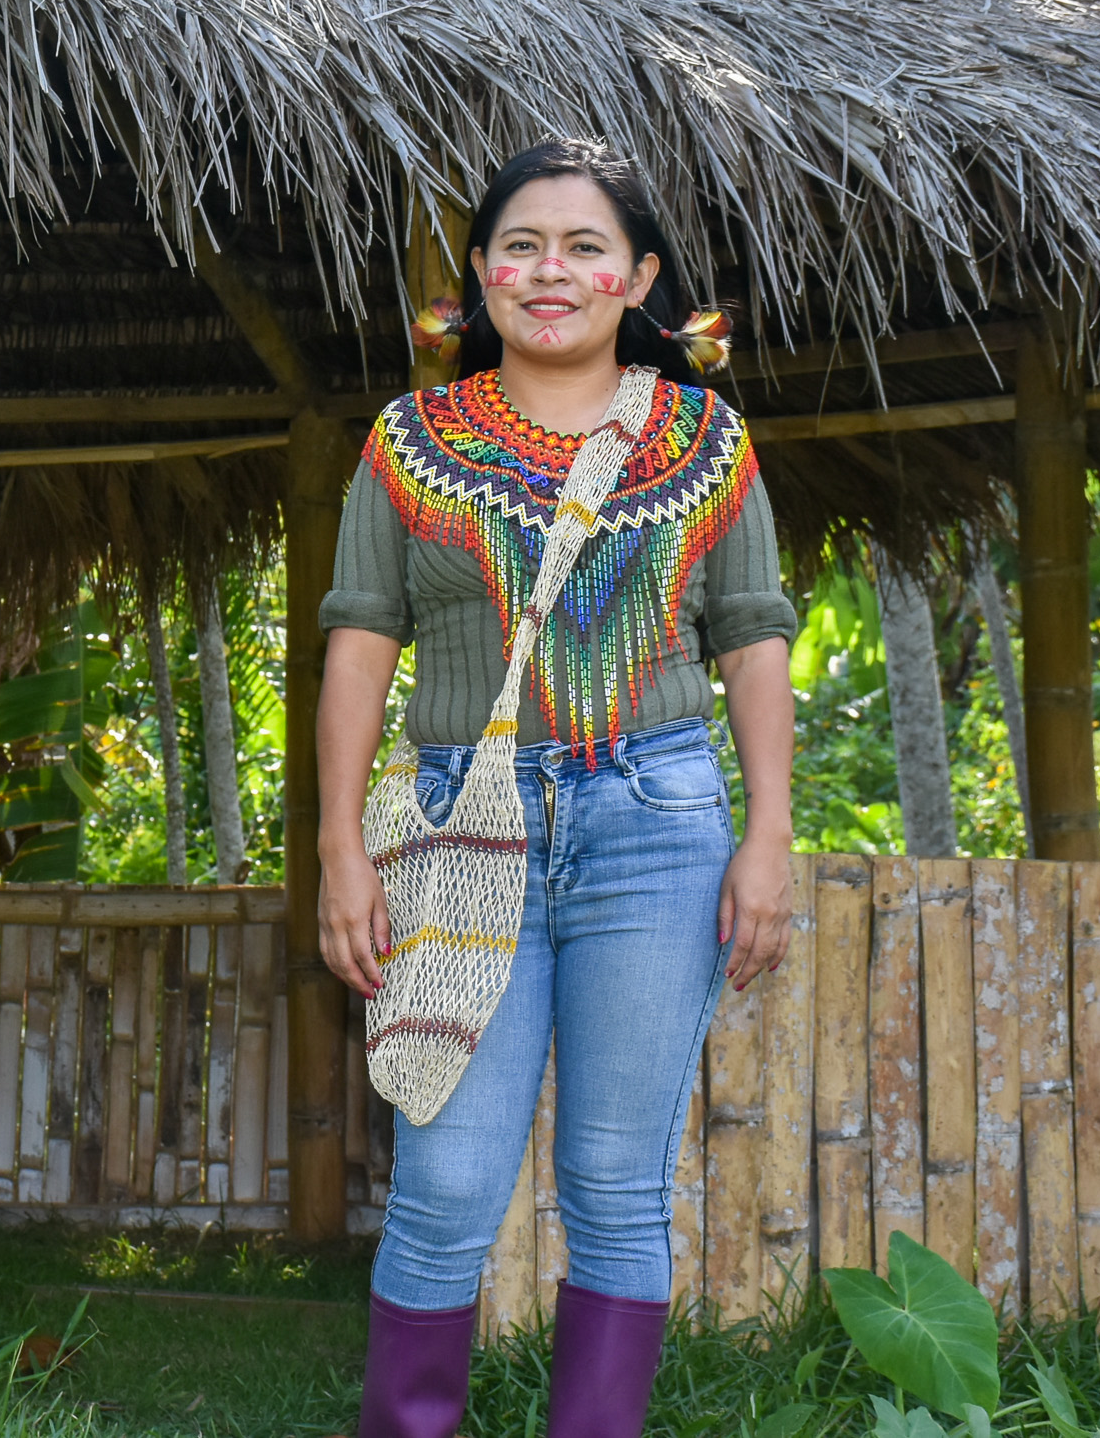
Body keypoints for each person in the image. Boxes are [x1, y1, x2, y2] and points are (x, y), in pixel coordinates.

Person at [318, 138, 798, 1438]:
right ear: (478, 276)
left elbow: (753, 633)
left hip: (659, 826)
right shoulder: (410, 443)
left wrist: (768, 836)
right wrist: (339, 854)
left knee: (616, 1186)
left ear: (639, 276)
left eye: (587, 247)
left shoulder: (707, 439)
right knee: (447, 1184)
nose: (552, 270)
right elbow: (360, 638)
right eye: (522, 245)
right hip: (459, 833)